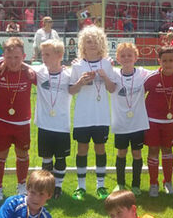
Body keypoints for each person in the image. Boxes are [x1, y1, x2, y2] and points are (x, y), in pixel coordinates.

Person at [69, 26, 117, 201]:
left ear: (101, 44)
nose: (92, 44)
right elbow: (71, 90)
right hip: (83, 116)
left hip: (101, 116)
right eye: (88, 41)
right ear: (83, 44)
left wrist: (105, 77)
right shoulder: (77, 65)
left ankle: (100, 185)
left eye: (96, 41)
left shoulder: (107, 63)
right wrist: (81, 82)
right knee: (82, 149)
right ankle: (81, 186)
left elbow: (112, 89)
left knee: (100, 148)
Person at [0, 38, 36, 200]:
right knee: (0, 154)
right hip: (2, 122)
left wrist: (29, 67)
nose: (13, 61)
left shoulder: (30, 73)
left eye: (17, 57)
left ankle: (22, 184)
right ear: (3, 57)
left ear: (24, 56)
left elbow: (49, 71)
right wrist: (0, 63)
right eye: (8, 57)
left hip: (22, 123)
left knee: (22, 154)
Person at [143, 45, 173, 196]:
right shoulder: (152, 78)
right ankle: (153, 183)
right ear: (159, 61)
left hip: (169, 122)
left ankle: (167, 181)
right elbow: (138, 95)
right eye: (164, 61)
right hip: (152, 121)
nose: (168, 64)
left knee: (168, 150)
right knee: (153, 150)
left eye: (171, 60)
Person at [110, 43, 151, 195]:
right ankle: (120, 183)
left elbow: (161, 72)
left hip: (138, 123)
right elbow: (97, 67)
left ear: (136, 57)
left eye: (129, 55)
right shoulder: (114, 74)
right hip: (121, 123)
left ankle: (136, 184)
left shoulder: (142, 73)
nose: (126, 58)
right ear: (118, 58)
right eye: (123, 55)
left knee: (137, 153)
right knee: (121, 152)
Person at [34, 40, 73, 199]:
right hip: (44, 125)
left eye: (47, 55)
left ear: (60, 55)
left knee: (61, 158)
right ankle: (47, 186)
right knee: (46, 158)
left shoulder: (69, 75)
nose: (44, 58)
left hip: (62, 125)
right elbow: (18, 64)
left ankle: (58, 186)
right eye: (43, 54)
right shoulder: (39, 71)